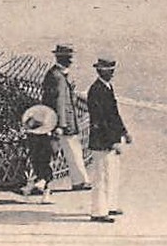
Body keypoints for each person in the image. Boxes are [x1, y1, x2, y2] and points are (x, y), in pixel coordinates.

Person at [86, 56, 131, 222]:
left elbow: (114, 114)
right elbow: (101, 120)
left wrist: (124, 132)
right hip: (102, 141)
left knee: (110, 173)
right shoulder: (97, 90)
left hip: (108, 139)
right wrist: (112, 141)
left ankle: (109, 206)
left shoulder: (107, 87)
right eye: (109, 71)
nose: (112, 73)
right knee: (101, 176)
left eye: (112, 70)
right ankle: (98, 212)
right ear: (100, 71)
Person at [41, 44, 90, 191]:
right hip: (63, 123)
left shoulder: (58, 74)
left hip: (63, 121)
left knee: (70, 150)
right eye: (68, 57)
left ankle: (79, 180)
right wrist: (61, 125)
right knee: (71, 150)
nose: (71, 60)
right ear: (61, 58)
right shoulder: (57, 77)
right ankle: (79, 181)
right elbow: (59, 102)